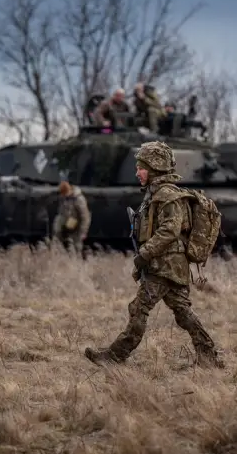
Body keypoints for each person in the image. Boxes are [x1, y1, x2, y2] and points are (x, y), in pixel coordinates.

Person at [84, 141, 225, 368]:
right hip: (169, 264)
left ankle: (115, 356)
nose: (137, 172)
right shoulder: (156, 194)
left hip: (165, 264)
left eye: (141, 167)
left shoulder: (166, 196)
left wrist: (145, 254)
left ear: (155, 167)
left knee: (139, 308)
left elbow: (170, 230)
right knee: (182, 312)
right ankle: (208, 355)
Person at [51, 181, 91, 255]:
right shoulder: (64, 198)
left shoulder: (79, 199)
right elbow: (61, 212)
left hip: (78, 225)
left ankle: (76, 261)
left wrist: (83, 232)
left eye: (64, 194)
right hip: (68, 223)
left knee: (76, 246)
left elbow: (85, 217)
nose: (63, 196)